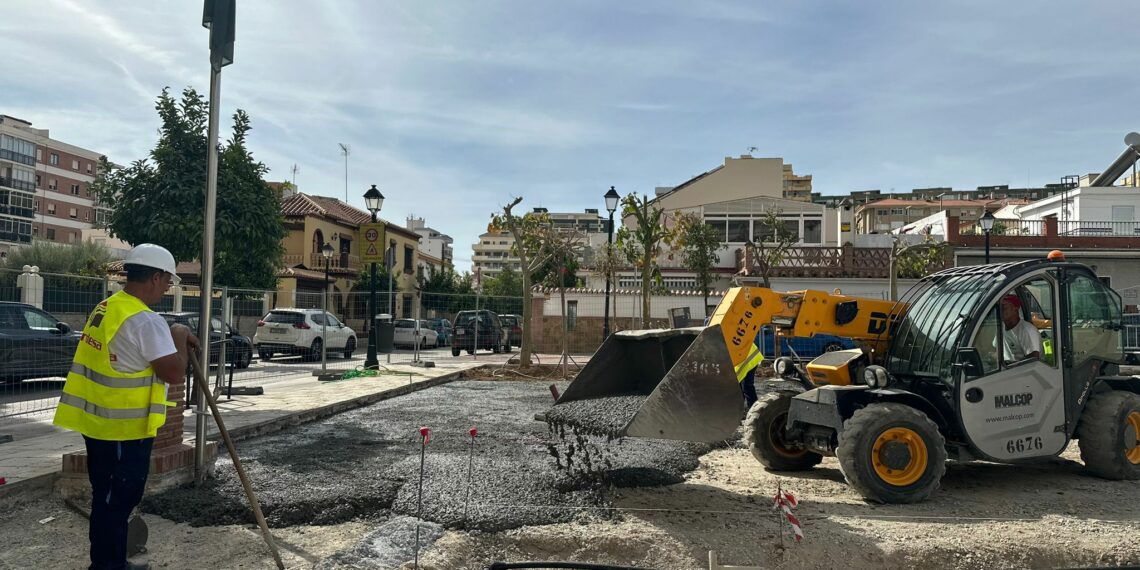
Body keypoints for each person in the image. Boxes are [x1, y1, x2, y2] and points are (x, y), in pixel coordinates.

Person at [54, 244, 200, 570]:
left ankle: (110, 562)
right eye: (167, 281)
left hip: (99, 425)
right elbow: (174, 373)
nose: (167, 288)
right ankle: (108, 566)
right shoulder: (145, 321)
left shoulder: (108, 307)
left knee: (107, 499)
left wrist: (168, 331)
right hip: (123, 430)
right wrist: (178, 333)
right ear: (155, 277)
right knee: (116, 502)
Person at [1000, 294, 1042, 362]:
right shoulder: (1001, 327)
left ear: (1015, 308)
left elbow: (1033, 358)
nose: (1000, 311)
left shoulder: (1027, 330)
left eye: (1004, 307)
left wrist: (1012, 366)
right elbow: (996, 349)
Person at [734, 337, 764, 409]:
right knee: (741, 387)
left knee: (747, 386)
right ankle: (739, 409)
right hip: (749, 358)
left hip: (749, 360)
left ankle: (754, 408)